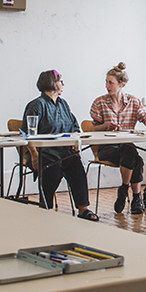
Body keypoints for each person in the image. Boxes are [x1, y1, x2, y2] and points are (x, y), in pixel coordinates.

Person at [24, 70, 98, 221]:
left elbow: (74, 126)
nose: (63, 84)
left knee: (77, 168)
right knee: (53, 171)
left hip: (64, 151)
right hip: (44, 152)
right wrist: (34, 154)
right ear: (51, 83)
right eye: (60, 81)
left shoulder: (63, 104)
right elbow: (27, 134)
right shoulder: (36, 105)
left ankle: (83, 208)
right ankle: (46, 207)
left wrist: (75, 143)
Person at [89, 62, 146, 214]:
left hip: (126, 148)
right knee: (135, 158)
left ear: (121, 84)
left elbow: (143, 116)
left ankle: (124, 191)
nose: (107, 85)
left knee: (129, 150)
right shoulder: (99, 103)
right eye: (106, 82)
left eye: (110, 82)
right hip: (106, 147)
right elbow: (93, 129)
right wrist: (105, 125)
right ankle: (136, 198)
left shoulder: (133, 101)